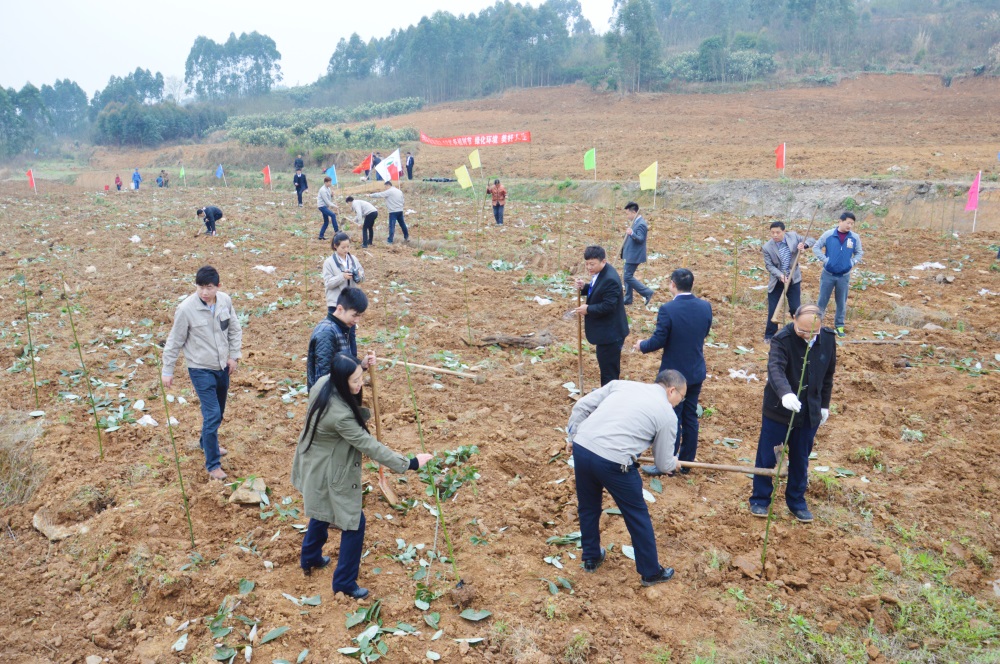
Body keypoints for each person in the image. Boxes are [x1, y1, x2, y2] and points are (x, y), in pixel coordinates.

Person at [293, 353, 433, 598]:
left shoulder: (324, 382)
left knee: (323, 507)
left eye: (361, 378)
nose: (360, 385)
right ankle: (344, 584)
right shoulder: (341, 415)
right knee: (355, 524)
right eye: (355, 381)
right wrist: (409, 463)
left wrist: (362, 366)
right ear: (341, 380)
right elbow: (370, 446)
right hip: (330, 470)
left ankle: (310, 558)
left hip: (314, 459)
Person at [566, 369, 687, 587]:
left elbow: (582, 406)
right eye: (681, 396)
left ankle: (591, 557)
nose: (680, 402)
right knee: (636, 515)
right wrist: (674, 463)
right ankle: (650, 572)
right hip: (614, 462)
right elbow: (663, 463)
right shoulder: (667, 414)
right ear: (672, 390)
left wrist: (572, 437)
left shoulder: (621, 385)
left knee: (588, 506)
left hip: (583, 448)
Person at [748, 305, 836, 523]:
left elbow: (828, 376)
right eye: (802, 331)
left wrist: (823, 404)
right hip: (778, 411)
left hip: (809, 413)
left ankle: (796, 501)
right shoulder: (782, 339)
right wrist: (785, 394)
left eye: (812, 333)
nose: (806, 337)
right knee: (767, 456)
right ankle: (760, 499)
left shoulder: (827, 338)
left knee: (800, 458)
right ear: (793, 319)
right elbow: (775, 369)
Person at [162, 266, 243, 481]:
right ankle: (213, 464)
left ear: (218, 286)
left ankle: (205, 442)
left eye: (209, 287)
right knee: (212, 414)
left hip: (222, 367)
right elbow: (174, 340)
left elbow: (234, 328)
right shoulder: (186, 309)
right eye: (200, 287)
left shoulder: (224, 300)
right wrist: (167, 370)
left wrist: (234, 356)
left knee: (219, 410)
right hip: (200, 369)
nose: (204, 292)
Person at [633, 268, 713, 475]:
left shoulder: (668, 309)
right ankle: (686, 463)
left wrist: (641, 345)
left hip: (674, 378)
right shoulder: (705, 307)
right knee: (690, 417)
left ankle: (666, 464)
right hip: (695, 371)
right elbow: (704, 332)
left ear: (672, 284)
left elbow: (659, 340)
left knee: (671, 417)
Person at [573, 245, 629, 386]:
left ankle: (609, 399)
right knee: (606, 367)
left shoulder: (610, 279)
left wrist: (589, 309)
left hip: (611, 334)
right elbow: (597, 290)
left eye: (592, 264)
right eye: (586, 263)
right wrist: (584, 287)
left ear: (603, 261)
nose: (589, 267)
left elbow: (609, 305)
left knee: (609, 372)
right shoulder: (601, 273)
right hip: (607, 333)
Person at [308, 287, 373, 389]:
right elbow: (324, 378)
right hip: (331, 400)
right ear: (340, 309)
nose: (357, 320)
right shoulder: (326, 333)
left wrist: (362, 365)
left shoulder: (342, 327)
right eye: (354, 315)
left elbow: (342, 367)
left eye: (359, 316)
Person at [813, 212, 863, 337]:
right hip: (828, 274)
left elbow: (859, 252)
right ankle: (816, 325)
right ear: (840, 221)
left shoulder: (854, 237)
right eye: (848, 223)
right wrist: (825, 260)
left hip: (844, 276)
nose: (850, 226)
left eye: (852, 224)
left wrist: (852, 262)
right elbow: (816, 247)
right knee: (822, 300)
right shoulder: (829, 235)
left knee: (841, 301)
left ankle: (839, 326)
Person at [762, 221, 814, 342]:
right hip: (778, 281)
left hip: (793, 279)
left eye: (778, 232)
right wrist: (780, 275)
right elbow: (769, 266)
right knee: (773, 309)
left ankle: (799, 332)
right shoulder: (767, 247)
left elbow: (811, 240)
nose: (775, 235)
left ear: (784, 231)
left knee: (796, 308)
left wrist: (804, 245)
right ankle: (769, 335)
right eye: (772, 233)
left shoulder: (794, 237)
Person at [621, 202, 655, 307]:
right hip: (629, 255)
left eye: (628, 214)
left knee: (627, 276)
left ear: (634, 212)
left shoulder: (641, 224)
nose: (627, 216)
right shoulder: (635, 222)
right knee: (626, 275)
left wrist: (632, 233)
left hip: (634, 256)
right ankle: (628, 298)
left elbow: (640, 239)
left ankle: (647, 292)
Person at [323, 232, 366, 316]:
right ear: (335, 246)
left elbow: (362, 277)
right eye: (343, 247)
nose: (346, 250)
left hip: (351, 302)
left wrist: (359, 275)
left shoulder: (353, 259)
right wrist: (342, 276)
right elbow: (328, 283)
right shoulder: (329, 262)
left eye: (348, 247)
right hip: (336, 304)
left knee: (350, 328)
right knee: (335, 328)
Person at [317, 176, 338, 240]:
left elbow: (329, 198)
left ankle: (321, 236)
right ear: (326, 182)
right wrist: (335, 206)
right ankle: (337, 231)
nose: (330, 183)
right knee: (333, 215)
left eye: (330, 182)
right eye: (329, 182)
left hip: (325, 206)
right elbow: (327, 201)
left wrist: (331, 195)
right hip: (322, 206)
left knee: (326, 222)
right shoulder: (322, 190)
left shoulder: (328, 188)